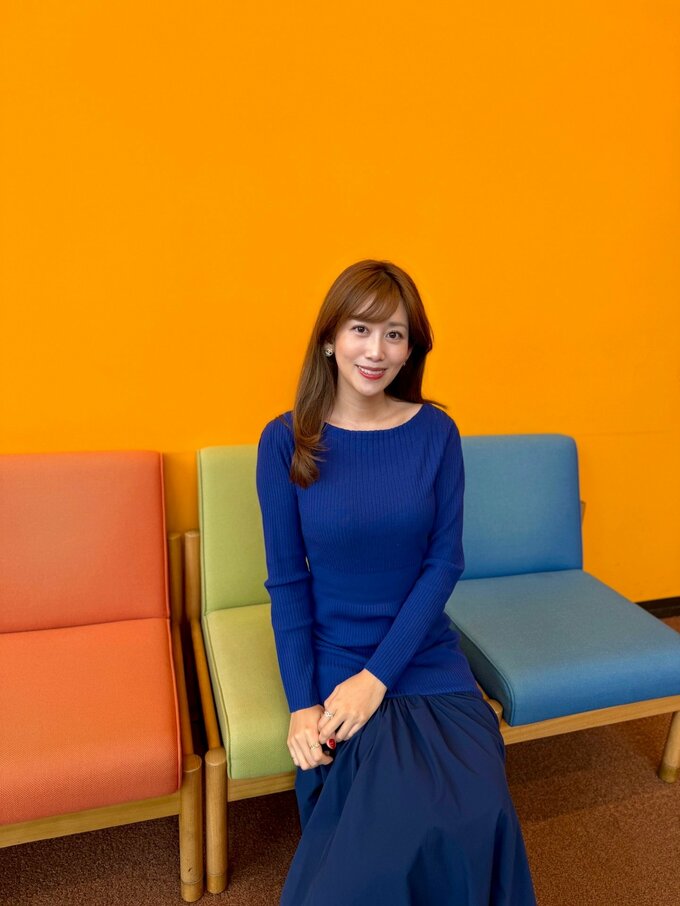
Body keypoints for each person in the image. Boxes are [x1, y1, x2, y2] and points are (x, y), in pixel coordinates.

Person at [255, 260, 537, 905]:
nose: (376, 351)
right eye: (361, 329)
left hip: (421, 653)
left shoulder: (436, 432)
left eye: (395, 334)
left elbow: (444, 564)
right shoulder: (286, 439)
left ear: (412, 349)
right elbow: (287, 583)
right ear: (330, 338)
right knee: (373, 857)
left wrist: (377, 679)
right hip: (335, 654)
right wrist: (302, 703)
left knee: (478, 809)